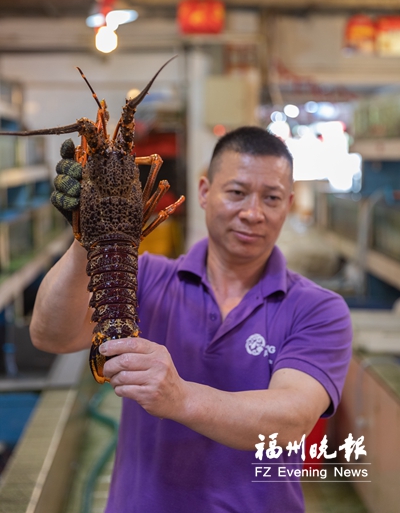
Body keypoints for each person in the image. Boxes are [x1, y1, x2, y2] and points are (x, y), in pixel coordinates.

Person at [30, 127, 352, 513]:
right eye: (236, 192)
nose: (252, 213)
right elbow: (52, 336)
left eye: (271, 198)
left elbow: (291, 419)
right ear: (203, 192)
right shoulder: (144, 277)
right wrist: (87, 232)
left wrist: (178, 397)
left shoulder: (319, 309)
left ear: (290, 205)